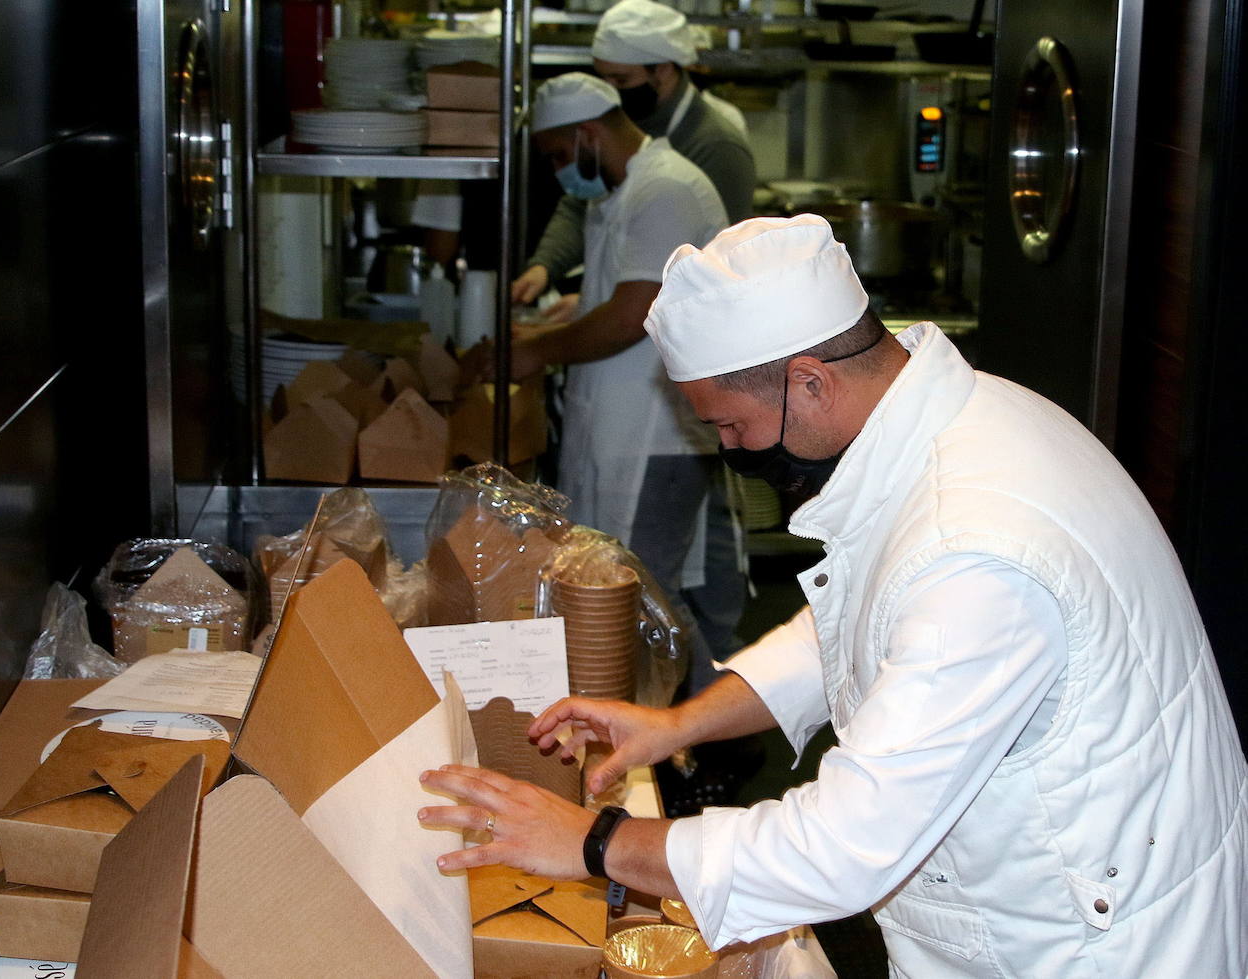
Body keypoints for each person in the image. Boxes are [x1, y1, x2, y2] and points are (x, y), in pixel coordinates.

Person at [422, 215, 1248, 977]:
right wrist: (681, 722)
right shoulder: (954, 423)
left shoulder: (975, 546)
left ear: (809, 380)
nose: (729, 447)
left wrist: (596, 841)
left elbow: (847, 843)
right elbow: (856, 623)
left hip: (1083, 946)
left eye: (733, 426)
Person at [506, 73, 743, 695]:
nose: (560, 172)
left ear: (588, 134)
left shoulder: (665, 188)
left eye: (560, 156)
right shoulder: (620, 191)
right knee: (630, 591)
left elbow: (635, 311)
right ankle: (681, 741)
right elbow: (626, 287)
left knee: (646, 597)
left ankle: (703, 741)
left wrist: (538, 352)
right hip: (621, 424)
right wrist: (572, 313)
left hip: (655, 435)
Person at [512, 0, 756, 318]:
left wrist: (608, 306)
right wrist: (544, 267)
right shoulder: (625, 127)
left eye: (621, 81)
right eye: (603, 80)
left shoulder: (715, 145)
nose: (610, 92)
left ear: (663, 70)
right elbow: (582, 203)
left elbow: (717, 258)